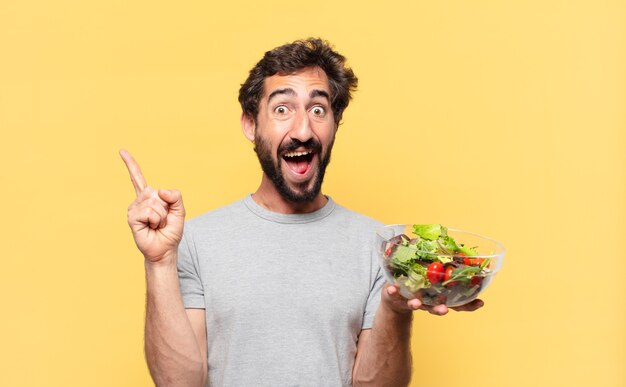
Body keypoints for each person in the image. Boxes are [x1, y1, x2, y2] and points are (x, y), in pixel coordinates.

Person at [120, 38, 482, 387]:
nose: (303, 130)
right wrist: (160, 262)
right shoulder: (196, 241)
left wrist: (396, 311)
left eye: (318, 109)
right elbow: (180, 383)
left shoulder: (380, 247)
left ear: (335, 124)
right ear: (250, 125)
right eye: (282, 109)